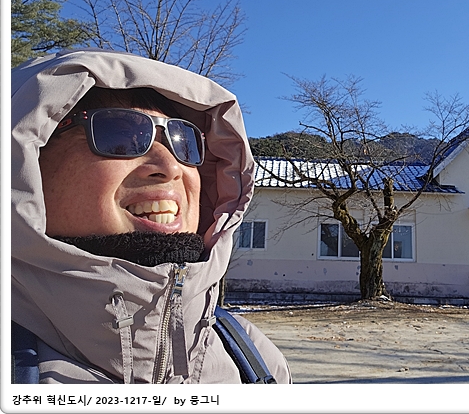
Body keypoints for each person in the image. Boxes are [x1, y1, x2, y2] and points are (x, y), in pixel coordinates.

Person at [11, 48, 292, 384]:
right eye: (119, 135)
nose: (171, 166)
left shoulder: (255, 360)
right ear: (25, 164)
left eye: (184, 142)